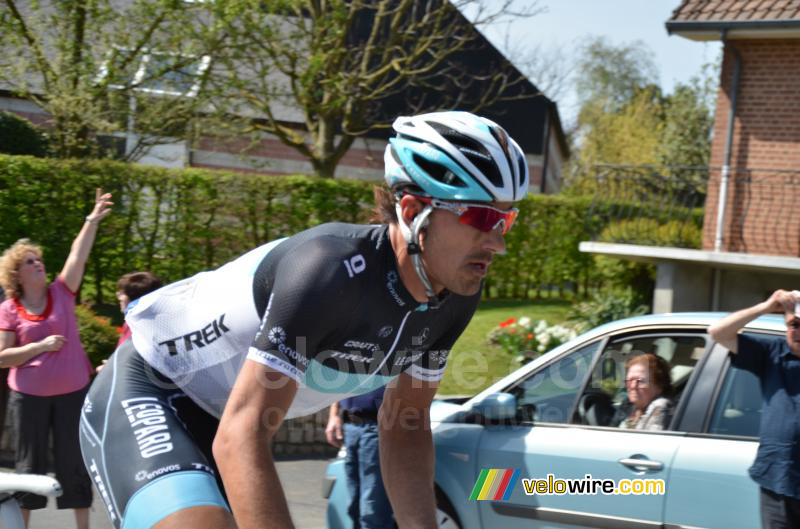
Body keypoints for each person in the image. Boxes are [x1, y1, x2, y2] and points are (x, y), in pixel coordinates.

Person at [79, 110, 529, 529]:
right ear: (412, 212)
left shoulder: (455, 295)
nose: (499, 243)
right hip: (152, 391)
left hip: (228, 418)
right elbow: (241, 435)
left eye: (505, 221)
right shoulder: (329, 270)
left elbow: (405, 423)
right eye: (480, 217)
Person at [0, 189, 113, 529]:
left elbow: (78, 257)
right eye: (30, 262)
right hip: (28, 399)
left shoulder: (62, 293)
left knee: (74, 463)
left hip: (72, 394)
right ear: (17, 274)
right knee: (28, 466)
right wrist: (40, 346)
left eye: (39, 260)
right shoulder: (8, 309)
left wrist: (91, 220)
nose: (39, 264)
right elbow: (3, 357)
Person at [709, 289, 800, 529]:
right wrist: (765, 307)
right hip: (778, 482)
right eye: (793, 324)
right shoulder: (772, 353)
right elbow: (717, 332)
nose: (796, 331)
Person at [326, 386, 393, 529]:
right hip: (351, 425)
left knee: (373, 507)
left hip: (378, 425)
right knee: (353, 504)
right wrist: (334, 415)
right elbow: (343, 380)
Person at [618, 353, 673, 431]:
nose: (633, 386)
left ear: (659, 385)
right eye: (629, 380)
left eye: (640, 381)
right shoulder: (628, 407)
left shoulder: (661, 407)